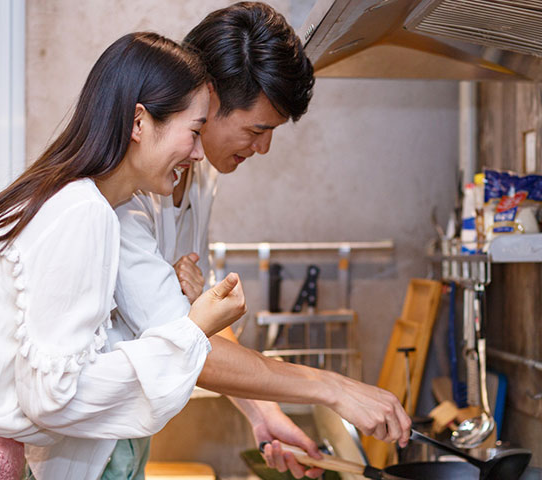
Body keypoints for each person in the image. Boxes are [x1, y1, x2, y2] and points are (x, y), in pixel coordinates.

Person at [25, 4, 411, 480]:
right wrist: (331, 388)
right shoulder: (116, 202)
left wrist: (263, 412)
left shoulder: (197, 179)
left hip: (126, 439)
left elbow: (195, 321)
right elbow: (182, 339)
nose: (264, 148)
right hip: (78, 453)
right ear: (207, 102)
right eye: (257, 130)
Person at [0, 32, 248, 479]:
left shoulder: (58, 196)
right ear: (139, 122)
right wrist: (195, 329)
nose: (196, 152)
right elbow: (54, 398)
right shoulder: (84, 210)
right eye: (193, 132)